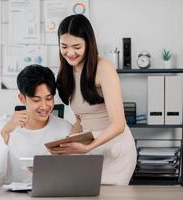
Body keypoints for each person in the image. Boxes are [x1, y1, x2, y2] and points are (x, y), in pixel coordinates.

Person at [50, 14, 137, 185]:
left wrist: (88, 147)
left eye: (77, 46)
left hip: (114, 148)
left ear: (89, 43)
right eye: (64, 46)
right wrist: (65, 144)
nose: (70, 53)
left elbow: (118, 124)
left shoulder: (103, 67)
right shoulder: (66, 72)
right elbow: (80, 120)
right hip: (90, 146)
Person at [0, 64, 72, 184]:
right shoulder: (1, 127)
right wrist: (5, 133)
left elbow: (71, 175)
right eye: (36, 100)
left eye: (49, 98)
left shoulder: (64, 128)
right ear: (21, 98)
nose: (45, 106)